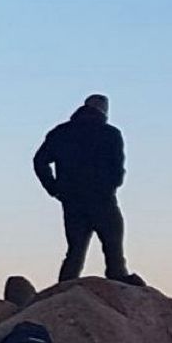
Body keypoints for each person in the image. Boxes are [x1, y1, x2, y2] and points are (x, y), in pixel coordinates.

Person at [32, 94, 143, 286]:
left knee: (75, 251)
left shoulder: (62, 132)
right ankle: (118, 279)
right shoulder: (109, 133)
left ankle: (63, 289)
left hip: (72, 199)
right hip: (102, 198)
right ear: (104, 110)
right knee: (113, 245)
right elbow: (117, 165)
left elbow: (39, 161)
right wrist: (112, 185)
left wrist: (55, 189)